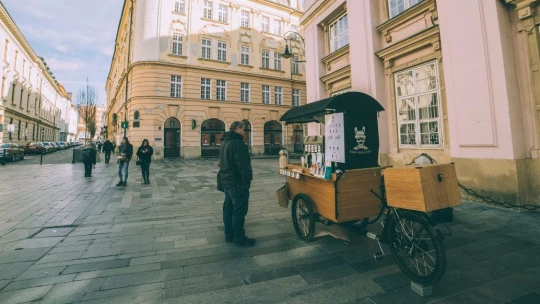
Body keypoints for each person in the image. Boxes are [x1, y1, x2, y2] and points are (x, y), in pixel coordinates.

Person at [218, 121, 255, 247]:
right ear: (238, 129)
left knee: (228, 209)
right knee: (239, 211)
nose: (244, 132)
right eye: (243, 129)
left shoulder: (225, 142)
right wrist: (246, 181)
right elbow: (243, 166)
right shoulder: (238, 144)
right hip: (236, 183)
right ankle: (239, 237)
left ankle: (229, 235)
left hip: (226, 181)